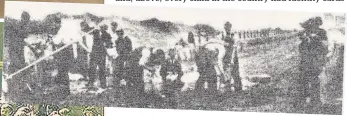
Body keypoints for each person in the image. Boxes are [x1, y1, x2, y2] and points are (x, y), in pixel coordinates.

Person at [297, 17, 328, 110]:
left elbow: (325, 46)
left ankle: (318, 101)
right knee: (305, 80)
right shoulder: (305, 34)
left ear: (317, 24)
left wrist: (315, 39)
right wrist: (305, 40)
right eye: (307, 26)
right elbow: (301, 48)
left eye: (313, 25)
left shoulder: (322, 33)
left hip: (317, 61)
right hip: (306, 61)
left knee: (317, 81)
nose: (309, 28)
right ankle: (307, 99)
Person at [88, 24, 113, 89]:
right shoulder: (97, 38)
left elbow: (105, 47)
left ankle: (101, 84)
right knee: (94, 70)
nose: (95, 36)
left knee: (99, 70)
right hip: (97, 56)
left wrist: (108, 55)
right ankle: (95, 84)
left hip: (99, 56)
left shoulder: (100, 38)